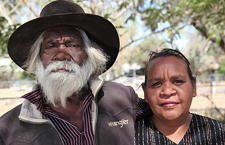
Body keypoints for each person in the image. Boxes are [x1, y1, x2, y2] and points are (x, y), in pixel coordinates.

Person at [0, 0, 150, 145]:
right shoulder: (7, 129)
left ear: (89, 55)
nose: (61, 55)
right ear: (37, 59)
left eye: (72, 44)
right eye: (50, 46)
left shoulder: (123, 98)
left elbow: (166, 125)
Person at [134, 48, 225, 144]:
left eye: (177, 81)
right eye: (157, 84)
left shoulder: (218, 133)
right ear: (145, 93)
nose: (167, 91)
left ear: (193, 87)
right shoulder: (130, 138)